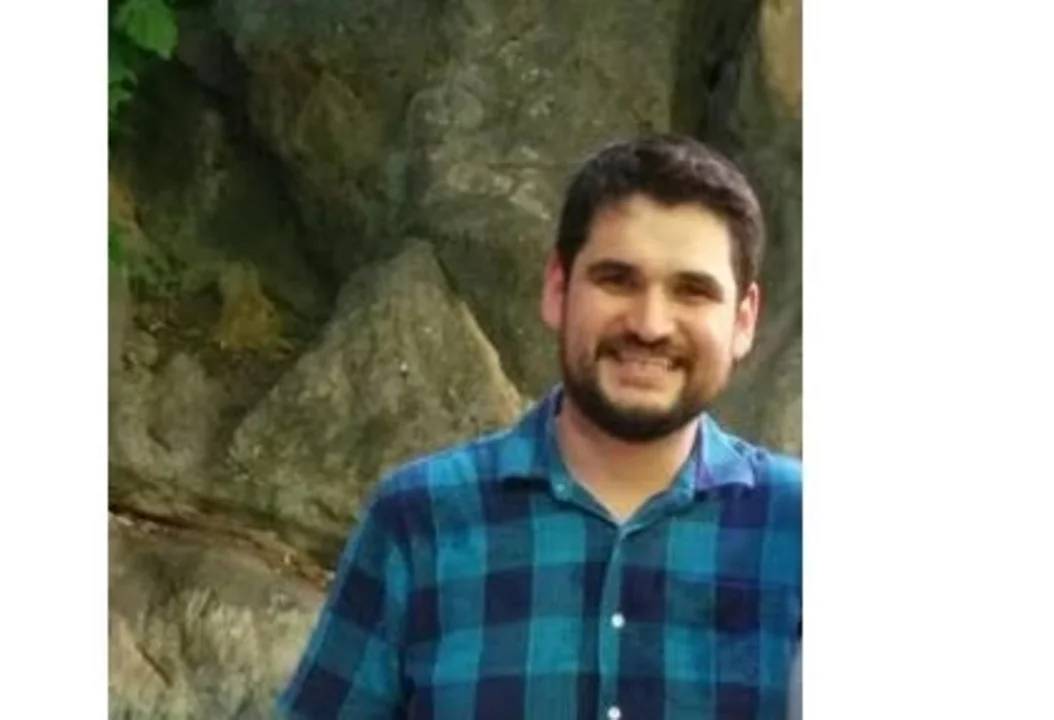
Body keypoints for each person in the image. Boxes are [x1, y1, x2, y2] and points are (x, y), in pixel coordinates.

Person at [275, 134, 802, 719]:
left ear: (744, 321)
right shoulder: (419, 523)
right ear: (557, 289)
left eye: (692, 291)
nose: (650, 324)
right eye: (617, 280)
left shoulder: (803, 529)